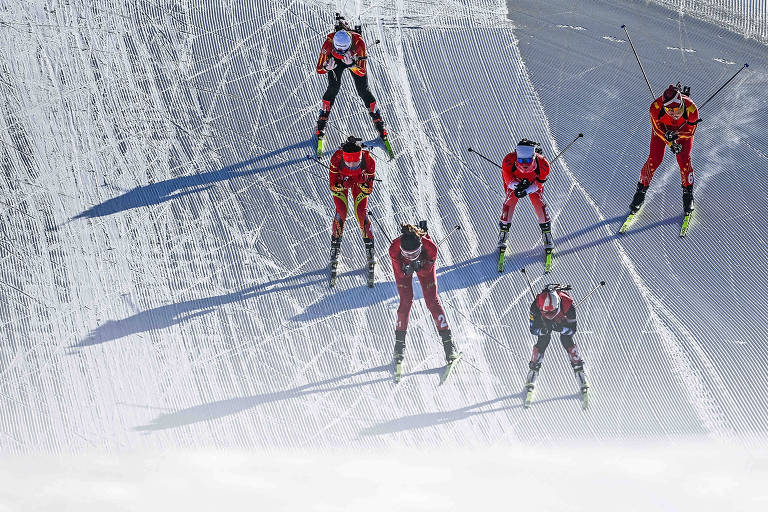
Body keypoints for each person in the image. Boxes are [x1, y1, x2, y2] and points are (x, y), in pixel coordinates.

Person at [388, 224, 458, 365]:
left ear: (420, 246)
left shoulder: (430, 247)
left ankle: (449, 345)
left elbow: (427, 272)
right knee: (405, 302)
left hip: (424, 262)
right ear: (402, 250)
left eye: (414, 253)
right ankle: (399, 347)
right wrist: (405, 270)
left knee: (432, 301)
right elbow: (399, 272)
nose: (412, 257)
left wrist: (422, 265)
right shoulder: (394, 249)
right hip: (403, 266)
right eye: (408, 254)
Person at [629, 83, 699, 214]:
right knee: (655, 159)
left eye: (678, 110)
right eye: (670, 111)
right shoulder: (655, 108)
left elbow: (690, 132)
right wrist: (671, 143)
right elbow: (656, 129)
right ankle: (641, 190)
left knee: (683, 159)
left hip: (682, 131)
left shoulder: (691, 110)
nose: (674, 114)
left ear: (682, 104)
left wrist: (677, 135)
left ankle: (688, 193)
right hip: (663, 131)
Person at [315, 18, 387, 140]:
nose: (341, 52)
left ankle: (376, 116)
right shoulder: (328, 44)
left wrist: (352, 65)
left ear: (349, 44)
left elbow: (362, 71)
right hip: (336, 61)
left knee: (363, 90)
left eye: (344, 49)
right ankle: (323, 115)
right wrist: (327, 68)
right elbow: (319, 69)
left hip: (352, 60)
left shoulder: (359, 43)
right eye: (338, 49)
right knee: (333, 87)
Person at [526, 284, 588, 392]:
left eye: (552, 312)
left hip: (561, 318)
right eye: (546, 312)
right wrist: (543, 330)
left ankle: (579, 368)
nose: (549, 315)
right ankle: (533, 369)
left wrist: (561, 328)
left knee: (566, 339)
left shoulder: (568, 305)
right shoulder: (535, 307)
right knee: (543, 339)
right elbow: (533, 329)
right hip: (544, 321)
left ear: (558, 304)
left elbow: (572, 330)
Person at [498, 139, 554, 252]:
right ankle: (503, 232)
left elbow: (540, 182)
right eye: (521, 160)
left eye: (528, 160)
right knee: (509, 201)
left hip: (533, 183)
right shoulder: (508, 160)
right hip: (515, 181)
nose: (524, 164)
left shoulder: (544, 164)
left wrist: (527, 190)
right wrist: (517, 187)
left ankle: (547, 233)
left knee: (538, 201)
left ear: (534, 157)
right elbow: (507, 179)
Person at [329, 136, 376, 266]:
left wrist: (361, 183)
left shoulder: (369, 161)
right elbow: (332, 185)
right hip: (342, 182)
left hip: (356, 184)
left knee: (361, 212)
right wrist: (344, 185)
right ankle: (335, 248)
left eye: (355, 163)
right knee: (342, 211)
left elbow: (368, 190)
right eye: (348, 163)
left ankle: (370, 249)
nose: (351, 166)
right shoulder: (336, 158)